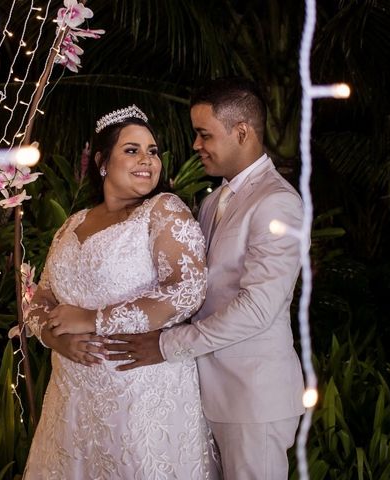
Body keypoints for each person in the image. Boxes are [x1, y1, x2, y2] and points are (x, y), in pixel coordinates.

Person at [105, 78, 305, 479]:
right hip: (200, 391)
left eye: (204, 134)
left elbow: (257, 309)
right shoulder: (214, 201)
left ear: (242, 132)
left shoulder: (278, 202)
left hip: (252, 398)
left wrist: (167, 345)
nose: (196, 145)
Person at [23, 105, 220, 479]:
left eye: (152, 151)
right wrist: (51, 336)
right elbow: (40, 295)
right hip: (72, 398)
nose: (147, 160)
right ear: (101, 161)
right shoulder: (73, 223)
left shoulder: (162, 211)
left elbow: (186, 289)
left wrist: (92, 320)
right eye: (132, 150)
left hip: (140, 394)